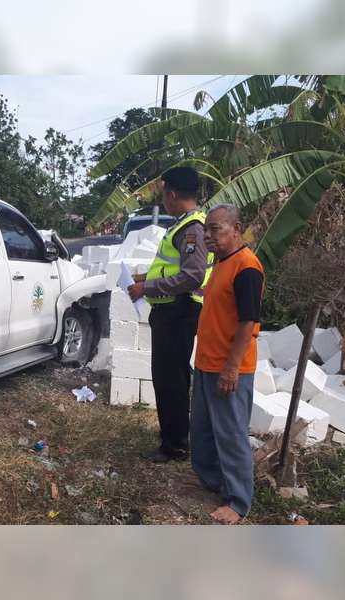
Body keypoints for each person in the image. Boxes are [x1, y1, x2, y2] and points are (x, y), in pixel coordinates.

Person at [128, 167, 213, 463]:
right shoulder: (185, 225)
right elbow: (173, 267)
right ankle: (173, 436)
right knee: (168, 375)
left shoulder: (192, 229)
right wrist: (144, 278)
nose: (163, 199)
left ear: (173, 194)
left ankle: (175, 445)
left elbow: (192, 275)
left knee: (171, 378)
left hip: (179, 310)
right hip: (172, 309)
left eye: (164, 193)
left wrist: (147, 288)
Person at [191, 204, 265, 524]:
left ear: (236, 229)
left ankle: (237, 502)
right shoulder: (221, 263)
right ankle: (215, 481)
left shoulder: (246, 266)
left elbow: (249, 322)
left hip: (229, 368)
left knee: (231, 435)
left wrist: (231, 367)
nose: (208, 235)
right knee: (203, 430)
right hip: (206, 363)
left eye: (215, 229)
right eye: (205, 229)